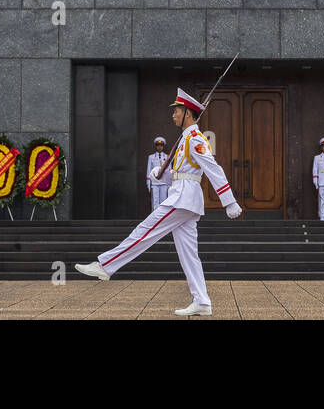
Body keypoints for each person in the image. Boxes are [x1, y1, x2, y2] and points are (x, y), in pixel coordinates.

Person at [75, 89, 241, 316]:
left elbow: (213, 168)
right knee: (188, 254)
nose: (173, 115)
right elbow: (180, 172)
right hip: (184, 197)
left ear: (189, 115)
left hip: (183, 199)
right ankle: (202, 300)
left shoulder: (195, 139)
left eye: (177, 111)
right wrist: (159, 174)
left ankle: (106, 265)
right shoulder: (185, 139)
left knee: (144, 231)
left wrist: (229, 201)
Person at [145, 136, 169, 211]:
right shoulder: (151, 157)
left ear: (163, 146)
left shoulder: (167, 157)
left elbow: (169, 170)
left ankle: (162, 219)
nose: (159, 147)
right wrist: (149, 184)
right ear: (155, 146)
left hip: (164, 182)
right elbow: (149, 170)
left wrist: (170, 183)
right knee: (155, 202)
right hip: (155, 183)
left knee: (163, 201)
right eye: (158, 145)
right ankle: (155, 218)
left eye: (161, 145)